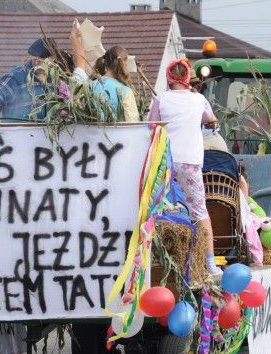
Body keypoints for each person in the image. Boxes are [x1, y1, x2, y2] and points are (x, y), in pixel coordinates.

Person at [148, 59, 222, 275]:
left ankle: (153, 258)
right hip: (190, 162)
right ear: (188, 78)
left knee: (156, 206)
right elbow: (212, 121)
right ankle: (210, 264)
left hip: (165, 161)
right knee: (200, 211)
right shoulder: (199, 100)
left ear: (169, 79)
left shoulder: (160, 99)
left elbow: (151, 127)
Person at [70, 22, 139, 122]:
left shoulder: (88, 87)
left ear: (105, 62)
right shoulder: (125, 92)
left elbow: (80, 66)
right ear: (125, 64)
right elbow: (132, 126)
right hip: (116, 137)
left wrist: (75, 39)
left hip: (90, 136)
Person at [0, 38, 54, 121]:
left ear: (52, 59)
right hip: (16, 132)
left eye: (40, 61)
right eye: (34, 59)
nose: (35, 63)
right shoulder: (16, 76)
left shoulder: (59, 79)